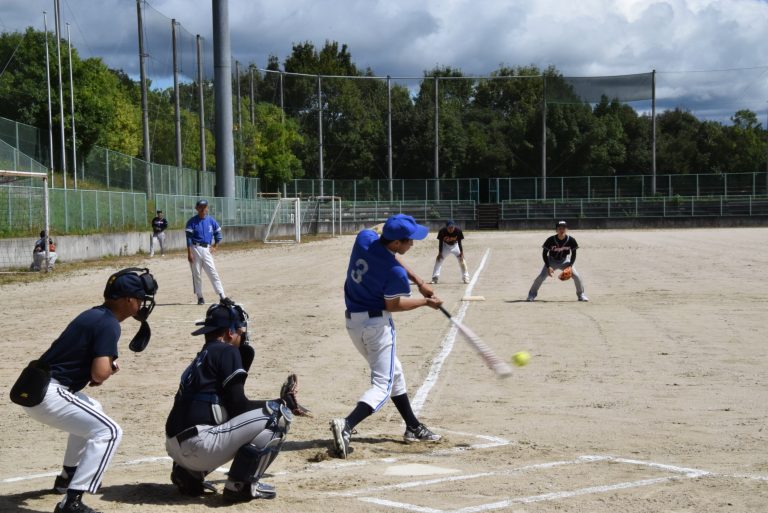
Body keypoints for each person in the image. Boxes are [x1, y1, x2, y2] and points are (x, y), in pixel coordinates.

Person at [13, 268, 158, 513]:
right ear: (127, 300)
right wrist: (110, 368)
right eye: (140, 298)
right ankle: (73, 500)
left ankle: (68, 476)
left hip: (38, 388)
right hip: (49, 393)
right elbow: (99, 374)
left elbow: (91, 372)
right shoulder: (109, 324)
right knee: (109, 432)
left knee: (93, 409)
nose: (142, 304)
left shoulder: (95, 315)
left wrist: (101, 370)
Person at [330, 214, 444, 459]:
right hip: (376, 327)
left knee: (396, 372)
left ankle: (412, 425)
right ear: (395, 243)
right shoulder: (394, 273)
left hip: (354, 322)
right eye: (408, 241)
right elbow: (393, 305)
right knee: (383, 384)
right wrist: (425, 302)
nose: (411, 244)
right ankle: (347, 424)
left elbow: (386, 251)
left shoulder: (365, 238)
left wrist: (419, 280)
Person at [165, 300, 292, 503]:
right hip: (199, 447)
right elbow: (238, 406)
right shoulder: (227, 351)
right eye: (240, 331)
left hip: (175, 447)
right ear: (229, 332)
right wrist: (282, 402)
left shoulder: (204, 356)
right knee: (277, 415)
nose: (242, 335)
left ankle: (188, 475)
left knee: (220, 411)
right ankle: (240, 487)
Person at [526, 220, 588, 302]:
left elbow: (574, 254)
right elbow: (544, 253)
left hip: (565, 261)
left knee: (576, 276)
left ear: (567, 229)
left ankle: (581, 295)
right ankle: (531, 295)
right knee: (541, 277)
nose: (562, 230)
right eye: (559, 228)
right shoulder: (550, 240)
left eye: (564, 228)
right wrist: (548, 266)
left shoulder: (571, 240)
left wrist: (570, 266)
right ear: (556, 230)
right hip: (551, 260)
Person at [185, 199, 227, 305]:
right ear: (197, 208)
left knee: (213, 272)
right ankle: (200, 297)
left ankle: (222, 295)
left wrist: (215, 246)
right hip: (195, 249)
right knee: (197, 274)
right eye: (200, 207)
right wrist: (189, 253)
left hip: (207, 249)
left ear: (207, 208)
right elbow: (189, 239)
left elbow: (218, 233)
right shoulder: (192, 221)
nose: (203, 209)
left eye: (204, 207)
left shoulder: (211, 220)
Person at [430, 220, 470, 284]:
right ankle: (435, 278)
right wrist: (440, 253)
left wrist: (461, 252)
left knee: (462, 260)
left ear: (454, 226)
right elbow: (440, 242)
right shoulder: (442, 231)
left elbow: (459, 242)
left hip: (455, 246)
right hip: (445, 246)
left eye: (452, 227)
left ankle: (466, 277)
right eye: (449, 227)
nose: (451, 229)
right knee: (439, 260)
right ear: (446, 227)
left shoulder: (458, 231)